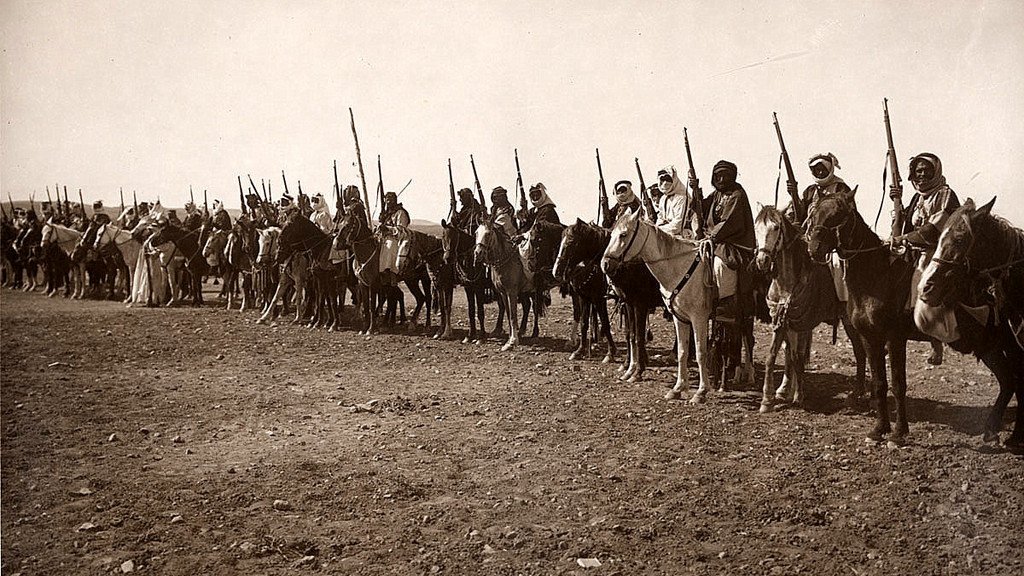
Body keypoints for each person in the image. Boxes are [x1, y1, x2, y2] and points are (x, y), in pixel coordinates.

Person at [891, 152, 960, 365]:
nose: (921, 175)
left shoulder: (945, 194)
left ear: (935, 171)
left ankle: (936, 344)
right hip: (914, 251)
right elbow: (905, 226)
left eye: (926, 170)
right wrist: (897, 204)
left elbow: (933, 229)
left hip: (939, 253)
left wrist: (905, 238)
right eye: (918, 171)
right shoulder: (917, 197)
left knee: (925, 284)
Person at [785, 153, 853, 302]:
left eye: (823, 169)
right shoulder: (810, 191)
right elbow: (800, 214)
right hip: (809, 238)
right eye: (816, 170)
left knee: (836, 263)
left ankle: (842, 302)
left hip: (833, 240)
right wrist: (794, 196)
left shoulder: (841, 188)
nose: (820, 172)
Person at [693, 160, 756, 319]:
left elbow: (728, 222)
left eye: (725, 176)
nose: (721, 180)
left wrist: (711, 237)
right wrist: (695, 191)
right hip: (714, 240)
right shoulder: (716, 194)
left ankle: (725, 301)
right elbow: (701, 207)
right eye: (718, 176)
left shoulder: (737, 195)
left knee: (721, 265)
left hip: (733, 243)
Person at [516, 182, 562, 288]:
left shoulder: (548, 209)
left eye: (537, 194)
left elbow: (538, 228)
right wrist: (524, 211)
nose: (535, 197)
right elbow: (527, 224)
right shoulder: (534, 210)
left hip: (548, 242)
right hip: (534, 239)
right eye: (533, 195)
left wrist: (523, 236)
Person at [377, 191, 411, 279]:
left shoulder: (400, 213)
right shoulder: (387, 213)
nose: (388, 203)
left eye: (390, 200)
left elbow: (402, 230)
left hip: (397, 239)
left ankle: (391, 273)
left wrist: (387, 228)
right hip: (384, 237)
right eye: (387, 200)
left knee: (390, 245)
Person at [655, 166, 694, 238]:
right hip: (665, 232)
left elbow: (678, 225)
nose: (665, 183)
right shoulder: (663, 199)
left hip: (682, 234)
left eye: (668, 179)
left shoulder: (682, 197)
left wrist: (658, 230)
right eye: (662, 180)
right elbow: (660, 218)